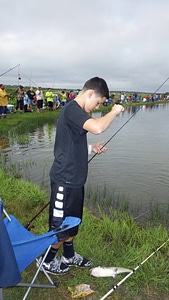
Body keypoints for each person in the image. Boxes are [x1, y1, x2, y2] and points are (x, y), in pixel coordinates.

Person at [41, 77, 124, 275]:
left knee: (73, 221)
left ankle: (69, 256)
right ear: (89, 94)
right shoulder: (71, 109)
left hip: (76, 181)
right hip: (64, 180)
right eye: (98, 102)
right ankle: (47, 261)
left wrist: (91, 148)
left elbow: (69, 145)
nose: (96, 106)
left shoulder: (77, 113)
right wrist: (113, 111)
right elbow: (97, 127)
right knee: (60, 227)